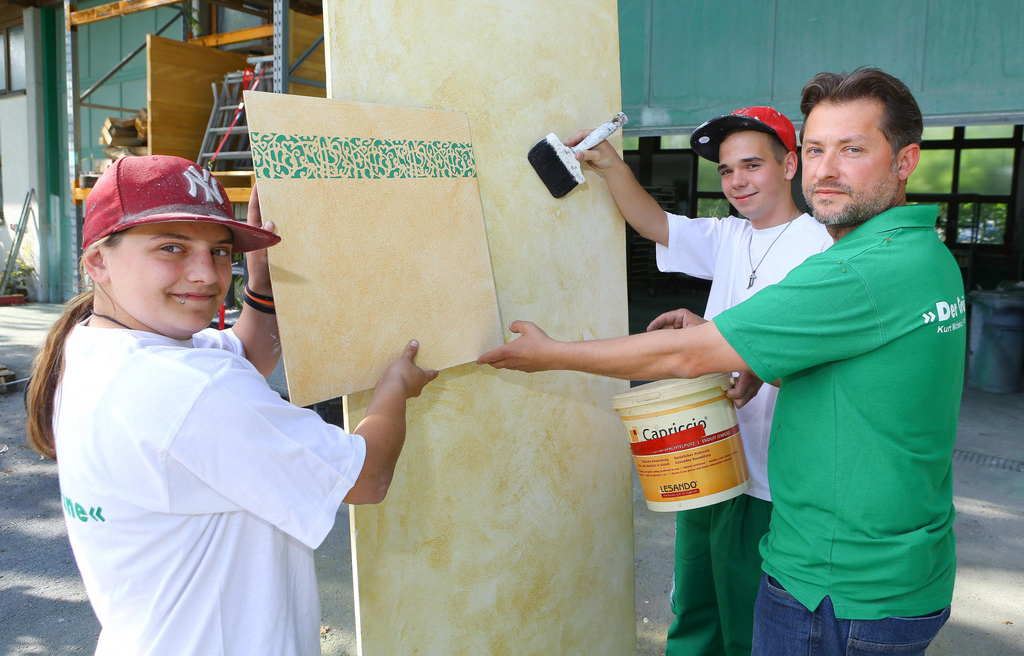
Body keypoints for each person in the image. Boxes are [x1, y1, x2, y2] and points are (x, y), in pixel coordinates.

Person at [479, 67, 964, 655]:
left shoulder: (847, 264)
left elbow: (690, 356)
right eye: (818, 148)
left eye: (853, 149)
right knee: (697, 605)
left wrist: (552, 354)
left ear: (905, 160)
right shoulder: (917, 252)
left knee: (736, 616)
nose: (827, 168)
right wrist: (754, 356)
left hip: (834, 578)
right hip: (801, 508)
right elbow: (833, 356)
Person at [25, 155, 438, 655]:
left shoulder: (94, 346)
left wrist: (260, 284)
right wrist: (395, 387)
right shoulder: (187, 388)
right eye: (172, 247)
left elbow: (246, 353)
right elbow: (366, 476)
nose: (206, 274)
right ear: (98, 262)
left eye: (220, 251)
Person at [567, 106, 832, 655]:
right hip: (706, 451)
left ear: (790, 166)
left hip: (772, 472)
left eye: (752, 165)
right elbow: (652, 222)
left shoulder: (823, 247)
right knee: (694, 602)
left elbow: (820, 353)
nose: (737, 181)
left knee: (747, 613)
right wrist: (611, 165)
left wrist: (757, 364)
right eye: (727, 170)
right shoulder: (728, 236)